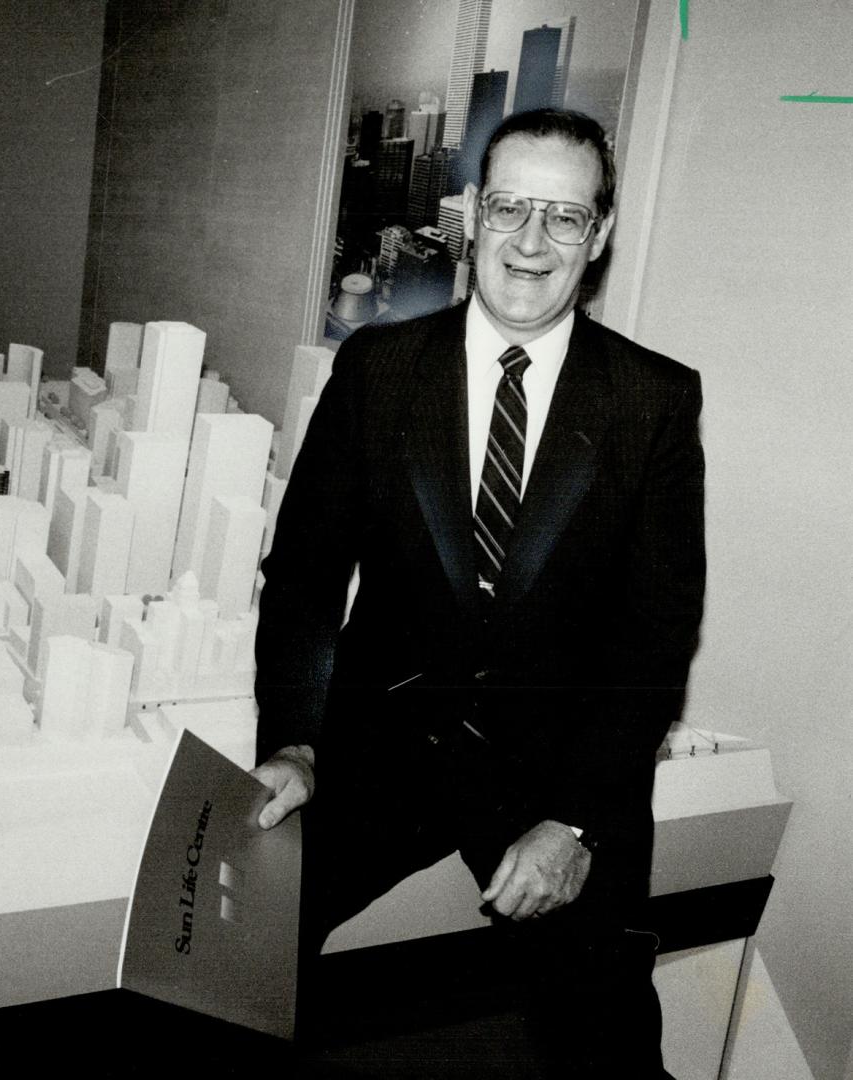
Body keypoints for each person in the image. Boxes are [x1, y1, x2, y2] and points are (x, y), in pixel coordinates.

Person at [251, 108, 704, 1079]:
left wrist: (577, 820)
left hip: (558, 768)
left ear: (602, 234)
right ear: (469, 214)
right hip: (376, 747)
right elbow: (304, 577)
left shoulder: (652, 401)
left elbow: (653, 637)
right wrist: (293, 739)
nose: (531, 243)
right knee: (230, 958)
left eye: (565, 217)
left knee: (610, 1040)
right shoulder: (378, 370)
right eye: (508, 209)